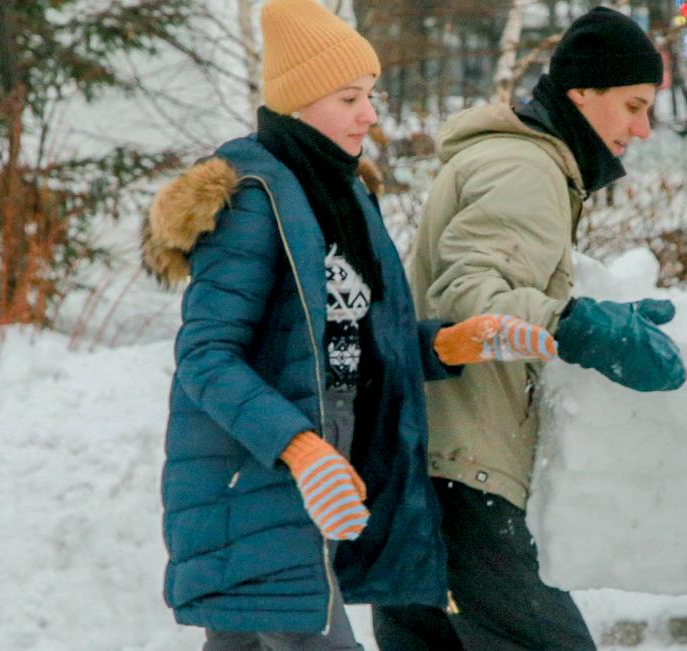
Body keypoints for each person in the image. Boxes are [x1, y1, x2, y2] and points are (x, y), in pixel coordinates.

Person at [140, 1, 558, 648]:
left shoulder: (343, 194)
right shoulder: (252, 199)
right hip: (256, 483)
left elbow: (353, 342)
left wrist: (456, 340)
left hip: (314, 475)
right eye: (349, 97)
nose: (370, 114)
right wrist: (304, 450)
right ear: (301, 101)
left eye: (371, 96)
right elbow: (207, 359)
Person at [374, 7, 687, 649]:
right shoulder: (527, 168)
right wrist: (582, 327)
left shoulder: (521, 163)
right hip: (463, 478)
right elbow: (471, 297)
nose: (643, 128)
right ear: (582, 93)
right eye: (632, 105)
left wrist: (597, 316)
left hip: (427, 472)